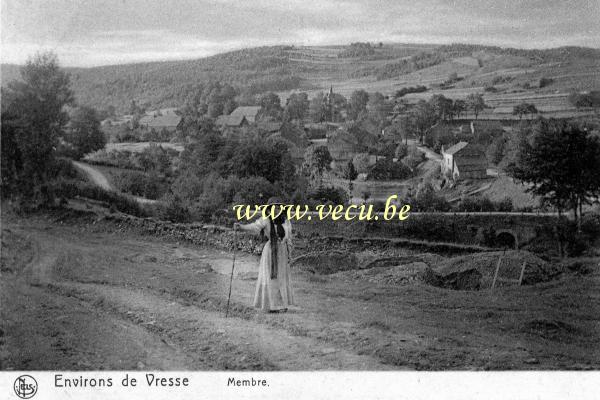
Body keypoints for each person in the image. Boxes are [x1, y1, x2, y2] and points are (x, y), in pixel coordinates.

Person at [234, 197, 295, 313]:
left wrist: (290, 254)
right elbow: (254, 227)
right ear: (269, 209)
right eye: (274, 208)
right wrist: (241, 227)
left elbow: (289, 239)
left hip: (282, 253)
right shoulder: (266, 220)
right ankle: (271, 306)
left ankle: (282, 305)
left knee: (281, 277)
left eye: (279, 207)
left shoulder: (286, 222)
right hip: (270, 252)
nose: (277, 210)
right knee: (271, 277)